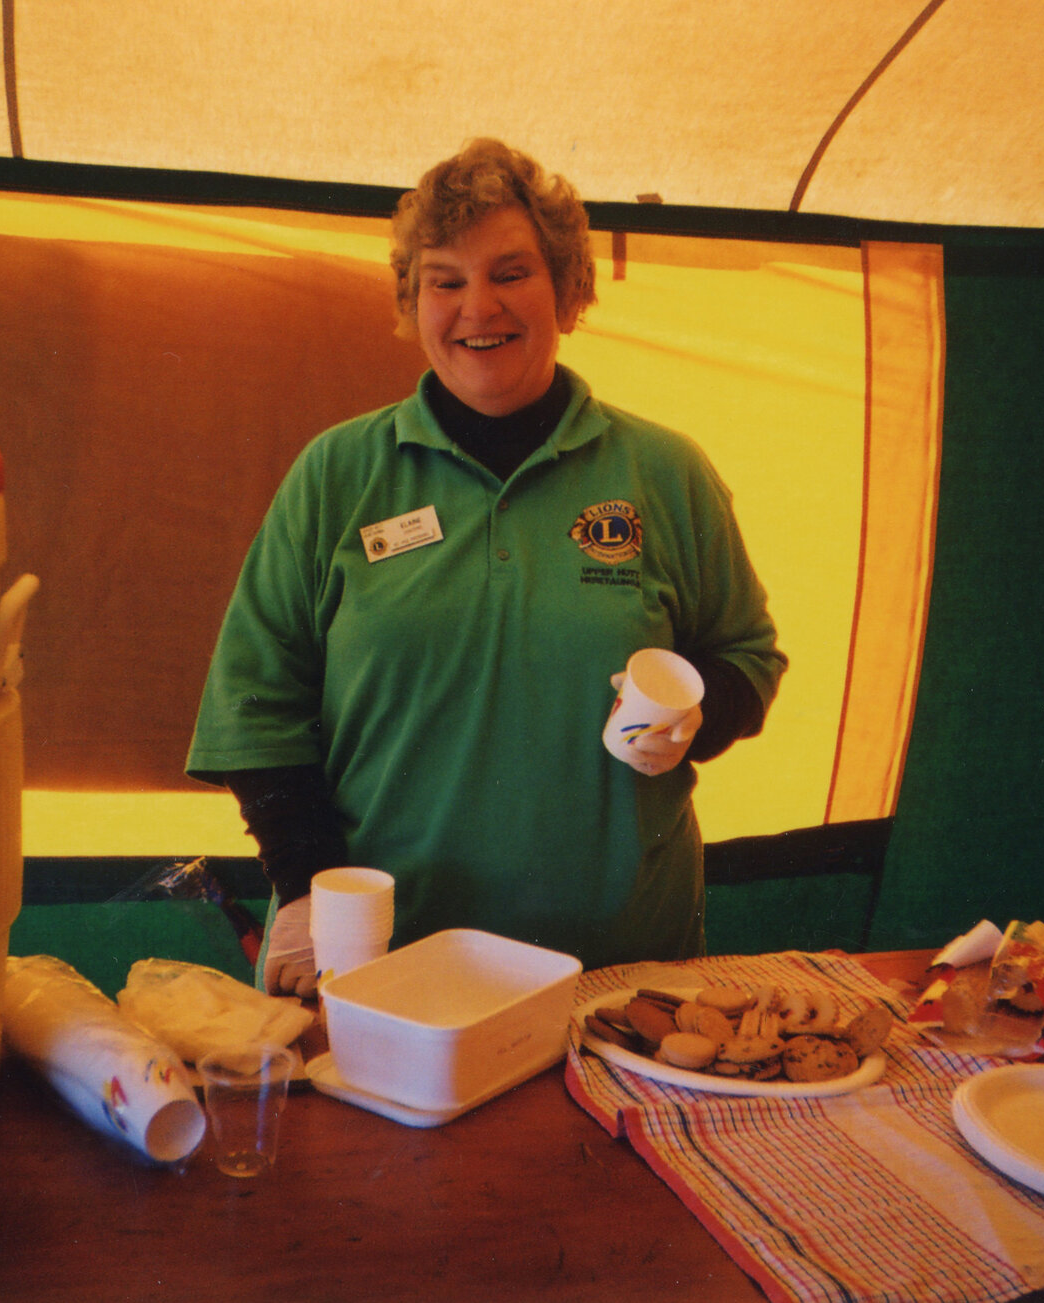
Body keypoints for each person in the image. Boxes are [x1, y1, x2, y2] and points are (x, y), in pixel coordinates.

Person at [188, 138, 785, 994]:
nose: (479, 306)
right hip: (387, 964)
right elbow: (256, 700)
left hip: (619, 968)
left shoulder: (664, 472)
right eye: (446, 279)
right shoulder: (339, 473)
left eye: (511, 273)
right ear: (413, 298)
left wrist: (701, 711)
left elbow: (747, 656)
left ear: (568, 288)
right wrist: (303, 890)